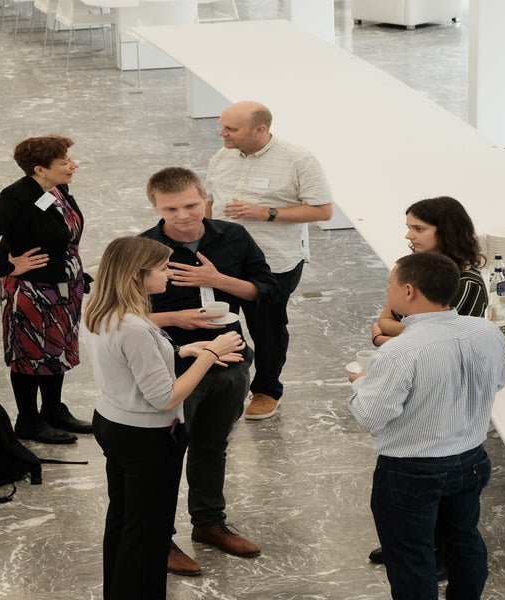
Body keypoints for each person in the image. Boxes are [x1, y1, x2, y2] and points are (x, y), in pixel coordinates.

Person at [83, 236, 245, 599]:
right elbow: (165, 397)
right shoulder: (136, 328)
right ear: (137, 275)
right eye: (161, 269)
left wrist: (185, 350)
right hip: (146, 438)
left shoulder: (100, 309)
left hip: (112, 422)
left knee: (123, 519)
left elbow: (127, 362)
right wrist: (212, 353)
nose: (168, 275)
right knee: (148, 532)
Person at [139, 167, 279, 576]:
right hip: (174, 364)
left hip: (230, 357)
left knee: (212, 446)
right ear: (155, 207)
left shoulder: (234, 236)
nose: (183, 215)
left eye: (191, 205)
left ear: (205, 198)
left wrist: (218, 280)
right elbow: (120, 315)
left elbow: (267, 291)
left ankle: (209, 523)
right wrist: (177, 318)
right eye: (171, 209)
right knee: (164, 455)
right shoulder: (144, 249)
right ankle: (159, 538)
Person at [348, 252, 505, 599]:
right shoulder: (487, 331)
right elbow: (497, 382)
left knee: (412, 558)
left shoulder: (399, 352)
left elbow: (369, 417)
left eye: (390, 284)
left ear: (409, 291)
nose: (387, 291)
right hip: (471, 460)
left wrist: (361, 383)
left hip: (411, 472)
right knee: (464, 542)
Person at [206, 100, 334, 420]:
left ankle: (266, 390)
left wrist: (265, 213)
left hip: (273, 261)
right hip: (222, 261)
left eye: (231, 128)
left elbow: (322, 210)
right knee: (220, 323)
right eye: (222, 126)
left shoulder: (298, 160)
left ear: (260, 130)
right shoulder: (222, 156)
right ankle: (223, 385)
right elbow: (210, 201)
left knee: (267, 329)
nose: (222, 133)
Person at [0, 135, 92, 445]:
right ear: (40, 169)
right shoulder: (16, 197)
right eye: (65, 162)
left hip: (62, 287)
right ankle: (28, 420)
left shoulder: (56, 189)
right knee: (29, 354)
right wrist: (8, 266)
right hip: (31, 292)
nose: (74, 165)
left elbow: (58, 235)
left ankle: (53, 409)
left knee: (56, 349)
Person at [371, 196, 489, 347]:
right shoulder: (413, 269)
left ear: (446, 232)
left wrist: (380, 339)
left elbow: (438, 342)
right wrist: (416, 333)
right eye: (409, 228)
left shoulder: (467, 283)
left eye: (419, 229)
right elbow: (385, 321)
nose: (408, 236)